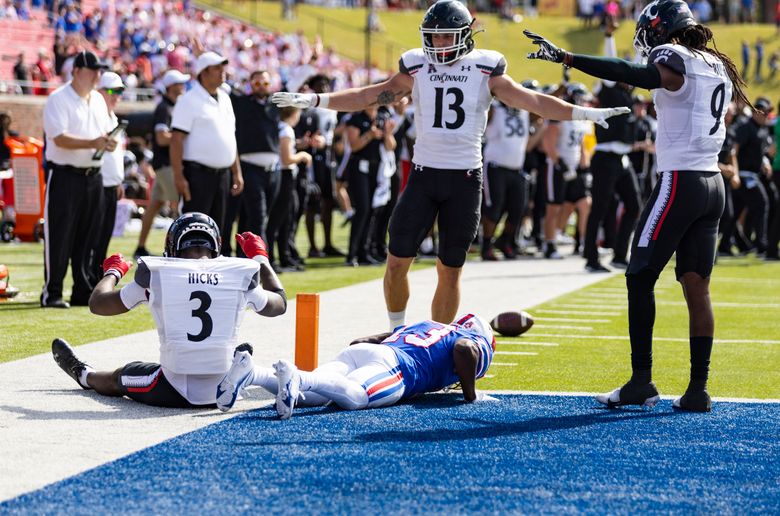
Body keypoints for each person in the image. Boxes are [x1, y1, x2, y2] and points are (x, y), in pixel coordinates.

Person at [272, 0, 628, 329]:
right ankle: (398, 333)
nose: (439, 43)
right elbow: (370, 94)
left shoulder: (486, 67)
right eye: (433, 36)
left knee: (450, 269)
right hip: (424, 177)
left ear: (465, 35)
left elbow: (533, 101)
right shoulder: (417, 65)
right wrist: (314, 99)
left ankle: (437, 338)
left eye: (446, 35)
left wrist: (585, 113)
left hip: (465, 180)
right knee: (396, 262)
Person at [524, 0, 752, 411]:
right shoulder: (716, 63)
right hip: (713, 185)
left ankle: (641, 380)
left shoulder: (674, 57)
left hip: (680, 182)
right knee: (697, 288)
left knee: (639, 276)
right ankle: (698, 388)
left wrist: (570, 58)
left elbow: (635, 74)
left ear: (662, 29)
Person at [51, 213, 288, 408]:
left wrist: (113, 272)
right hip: (227, 383)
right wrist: (261, 258)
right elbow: (280, 303)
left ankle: (83, 374)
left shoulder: (157, 274)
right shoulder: (238, 273)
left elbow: (98, 304)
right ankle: (232, 358)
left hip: (173, 388)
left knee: (120, 376)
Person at [215, 313, 497, 418]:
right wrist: (470, 397)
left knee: (312, 397)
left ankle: (252, 372)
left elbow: (384, 334)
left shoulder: (432, 324)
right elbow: (464, 349)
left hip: (368, 352)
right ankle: (297, 378)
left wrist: (364, 342)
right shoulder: (472, 339)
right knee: (357, 397)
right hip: (397, 367)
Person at [41, 50, 114, 309]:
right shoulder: (58, 99)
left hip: (93, 175)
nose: (98, 75)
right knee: (60, 235)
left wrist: (107, 142)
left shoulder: (96, 100)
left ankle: (81, 290)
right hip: (65, 174)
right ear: (77, 71)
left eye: (99, 70)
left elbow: (100, 132)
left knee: (88, 236)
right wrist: (93, 142)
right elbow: (58, 138)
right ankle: (53, 292)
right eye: (93, 70)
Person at [170, 52, 244, 236]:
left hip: (223, 175)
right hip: (197, 175)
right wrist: (179, 177)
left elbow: (229, 137)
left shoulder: (225, 98)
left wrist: (237, 172)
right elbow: (176, 139)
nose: (222, 72)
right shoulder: (188, 100)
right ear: (204, 72)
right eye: (217, 68)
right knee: (193, 229)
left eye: (222, 68)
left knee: (219, 231)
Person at [134, 69, 191, 259]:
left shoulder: (171, 107)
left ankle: (140, 247)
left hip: (164, 163)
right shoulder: (165, 108)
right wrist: (182, 136)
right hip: (167, 164)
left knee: (154, 206)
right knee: (179, 204)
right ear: (171, 86)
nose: (183, 87)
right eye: (180, 83)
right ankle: (179, 247)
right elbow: (161, 138)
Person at [226, 70, 282, 257]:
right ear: (250, 85)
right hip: (250, 167)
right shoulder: (242, 103)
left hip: (274, 169)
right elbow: (221, 85)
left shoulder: (275, 103)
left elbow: (296, 87)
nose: (261, 88)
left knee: (261, 216)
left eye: (265, 84)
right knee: (258, 216)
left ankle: (246, 256)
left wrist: (312, 62)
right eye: (257, 84)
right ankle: (262, 261)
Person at [540, 83, 592, 260]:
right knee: (553, 208)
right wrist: (560, 164)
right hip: (557, 167)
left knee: (584, 204)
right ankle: (549, 243)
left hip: (575, 168)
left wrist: (585, 168)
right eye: (582, 99)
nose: (584, 102)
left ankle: (585, 243)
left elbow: (581, 144)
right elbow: (548, 143)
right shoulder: (559, 116)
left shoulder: (580, 119)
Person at [265, 106, 312, 271]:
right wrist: (303, 155)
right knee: (279, 219)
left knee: (287, 217)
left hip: (283, 176)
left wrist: (299, 144)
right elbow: (287, 159)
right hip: (284, 176)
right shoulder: (286, 129)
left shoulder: (281, 128)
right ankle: (273, 258)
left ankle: (284, 256)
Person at [91, 72, 126, 284]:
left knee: (104, 236)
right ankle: (89, 276)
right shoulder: (96, 116)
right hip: (98, 183)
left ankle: (96, 276)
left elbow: (115, 156)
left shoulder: (112, 117)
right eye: (112, 91)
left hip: (111, 184)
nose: (116, 96)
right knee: (93, 236)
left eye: (119, 91)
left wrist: (118, 180)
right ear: (100, 92)